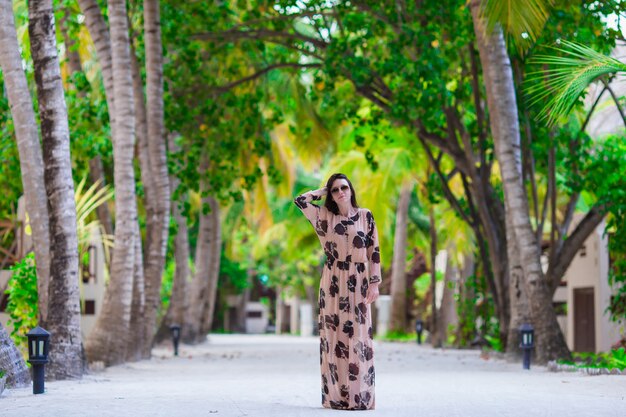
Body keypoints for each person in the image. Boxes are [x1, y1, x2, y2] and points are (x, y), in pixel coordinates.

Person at [294, 173, 381, 410]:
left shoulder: (366, 216)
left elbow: (374, 250)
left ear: (351, 189)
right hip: (333, 283)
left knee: (359, 337)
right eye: (335, 190)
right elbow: (300, 201)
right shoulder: (325, 217)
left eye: (344, 187)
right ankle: (337, 397)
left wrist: (374, 282)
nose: (341, 192)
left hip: (360, 280)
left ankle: (360, 396)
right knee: (335, 338)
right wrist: (322, 191)